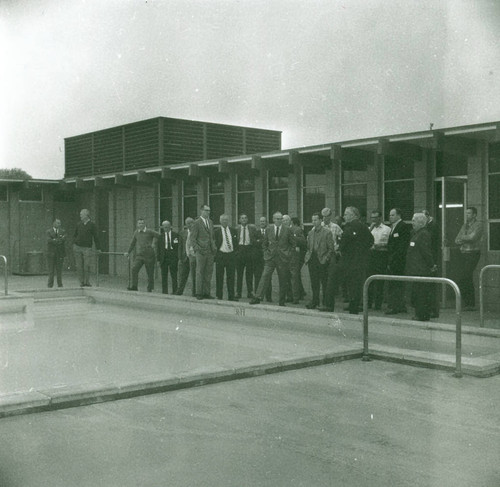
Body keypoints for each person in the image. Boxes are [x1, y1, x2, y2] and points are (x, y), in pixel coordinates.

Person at [320, 206, 374, 314]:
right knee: (354, 285)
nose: (344, 216)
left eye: (346, 214)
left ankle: (329, 305)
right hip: (359, 261)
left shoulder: (350, 227)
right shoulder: (363, 227)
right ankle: (353, 307)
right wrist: (361, 251)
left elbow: (343, 243)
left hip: (347, 260)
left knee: (332, 279)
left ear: (353, 215)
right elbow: (371, 241)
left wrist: (341, 248)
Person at [250, 211, 295, 307]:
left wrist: (288, 254)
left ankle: (281, 301)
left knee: (283, 279)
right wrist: (266, 253)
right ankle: (258, 297)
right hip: (270, 258)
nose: (279, 221)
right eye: (277, 219)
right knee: (265, 276)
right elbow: (264, 244)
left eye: (280, 219)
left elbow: (293, 244)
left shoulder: (287, 230)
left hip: (283, 258)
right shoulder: (269, 229)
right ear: (273, 219)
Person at [406, 213, 436, 321]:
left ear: (421, 222)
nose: (412, 223)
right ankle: (419, 313)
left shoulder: (423, 234)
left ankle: (422, 314)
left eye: (414, 221)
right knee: (417, 292)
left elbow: (426, 252)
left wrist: (431, 265)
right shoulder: (416, 233)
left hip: (421, 268)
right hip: (415, 268)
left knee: (421, 293)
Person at [304, 213, 334, 310]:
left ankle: (325, 302)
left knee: (324, 282)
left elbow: (331, 248)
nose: (314, 222)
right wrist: (307, 257)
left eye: (316, 220)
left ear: (321, 220)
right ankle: (315, 301)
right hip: (312, 259)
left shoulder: (327, 232)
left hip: (322, 260)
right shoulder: (310, 233)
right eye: (312, 220)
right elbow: (308, 247)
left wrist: (326, 258)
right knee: (314, 282)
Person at [455, 207, 483, 311]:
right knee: (466, 277)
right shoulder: (465, 225)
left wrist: (463, 238)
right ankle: (468, 303)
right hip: (463, 253)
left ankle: (470, 303)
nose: (467, 215)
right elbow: (456, 239)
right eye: (466, 213)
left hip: (473, 252)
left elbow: (473, 237)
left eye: (469, 213)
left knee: (465, 275)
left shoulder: (478, 224)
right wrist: (464, 238)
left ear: (474, 215)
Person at [385, 208, 411, 315]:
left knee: (396, 284)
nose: (390, 217)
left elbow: (401, 246)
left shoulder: (402, 226)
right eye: (390, 215)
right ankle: (398, 305)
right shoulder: (393, 227)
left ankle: (395, 306)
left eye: (392, 215)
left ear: (399, 215)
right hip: (393, 259)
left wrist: (393, 259)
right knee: (394, 283)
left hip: (398, 260)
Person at [190, 204, 217, 300]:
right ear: (201, 211)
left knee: (208, 272)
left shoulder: (210, 222)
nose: (208, 212)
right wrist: (197, 248)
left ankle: (206, 292)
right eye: (206, 210)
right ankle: (199, 293)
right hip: (200, 251)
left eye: (209, 210)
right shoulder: (196, 223)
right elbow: (192, 238)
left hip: (210, 251)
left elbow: (212, 236)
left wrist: (214, 247)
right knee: (200, 272)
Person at [126, 218, 160, 292]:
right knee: (134, 268)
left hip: (149, 255)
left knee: (150, 272)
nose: (141, 225)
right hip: (140, 255)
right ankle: (134, 286)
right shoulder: (136, 233)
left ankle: (150, 287)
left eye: (142, 223)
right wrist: (128, 252)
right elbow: (132, 243)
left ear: (145, 224)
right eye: (139, 223)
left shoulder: (149, 231)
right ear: (137, 224)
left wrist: (154, 243)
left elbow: (159, 236)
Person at [368, 210, 391, 310]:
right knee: (370, 280)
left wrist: (381, 245)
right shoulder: (370, 229)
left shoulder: (387, 229)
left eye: (375, 217)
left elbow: (390, 243)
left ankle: (378, 304)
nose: (373, 220)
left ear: (380, 218)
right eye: (372, 218)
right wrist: (370, 229)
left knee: (379, 282)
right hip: (371, 255)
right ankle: (368, 303)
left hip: (382, 255)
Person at [73, 209, 100, 287]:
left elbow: (96, 237)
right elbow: (75, 234)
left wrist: (98, 248)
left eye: (81, 214)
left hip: (87, 248)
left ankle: (86, 281)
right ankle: (81, 281)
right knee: (79, 266)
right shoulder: (79, 224)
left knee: (86, 265)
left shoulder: (92, 225)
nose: (80, 216)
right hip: (77, 247)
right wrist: (74, 242)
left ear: (86, 215)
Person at [214, 214, 238, 301]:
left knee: (231, 277)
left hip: (231, 255)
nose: (225, 221)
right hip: (221, 255)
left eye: (226, 220)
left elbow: (236, 243)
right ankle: (219, 295)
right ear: (220, 221)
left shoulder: (233, 231)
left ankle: (231, 296)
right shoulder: (216, 231)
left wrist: (235, 253)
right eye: (223, 220)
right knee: (219, 276)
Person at [283, 215, 306, 304]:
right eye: (283, 220)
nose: (284, 222)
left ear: (290, 221)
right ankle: (289, 296)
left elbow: (303, 241)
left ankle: (296, 297)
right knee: (286, 277)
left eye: (286, 220)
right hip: (284, 257)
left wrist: (292, 237)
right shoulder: (281, 231)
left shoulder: (296, 230)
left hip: (294, 257)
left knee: (294, 277)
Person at [422, 209, 440, 317]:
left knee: (431, 286)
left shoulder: (432, 226)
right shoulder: (429, 226)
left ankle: (433, 309)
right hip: (430, 259)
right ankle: (430, 308)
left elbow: (431, 243)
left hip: (431, 259)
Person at [235, 213, 257, 299]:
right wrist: (237, 252)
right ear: (239, 220)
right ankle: (238, 292)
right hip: (240, 251)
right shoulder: (237, 229)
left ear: (247, 220)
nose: (244, 219)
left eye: (245, 218)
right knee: (239, 274)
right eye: (242, 218)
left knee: (249, 274)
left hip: (249, 251)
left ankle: (250, 292)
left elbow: (254, 240)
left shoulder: (252, 228)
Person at [253, 216, 272, 302]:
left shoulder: (270, 232)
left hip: (268, 257)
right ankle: (258, 296)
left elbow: (270, 243)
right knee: (258, 276)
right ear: (259, 223)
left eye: (264, 221)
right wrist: (263, 241)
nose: (262, 223)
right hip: (258, 258)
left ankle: (269, 296)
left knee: (268, 277)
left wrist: (259, 241)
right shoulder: (255, 232)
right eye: (261, 221)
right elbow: (254, 243)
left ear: (266, 222)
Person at [157, 220, 179, 294]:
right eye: (164, 227)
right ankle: (164, 291)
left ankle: (175, 291)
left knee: (174, 275)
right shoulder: (160, 237)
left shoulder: (175, 235)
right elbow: (158, 249)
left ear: (170, 227)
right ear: (162, 227)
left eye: (167, 227)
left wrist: (177, 257)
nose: (166, 228)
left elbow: (178, 247)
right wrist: (158, 260)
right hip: (164, 257)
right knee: (164, 275)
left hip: (173, 256)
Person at [176, 217, 196, 296]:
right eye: (188, 223)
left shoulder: (196, 232)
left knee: (194, 275)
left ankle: (194, 292)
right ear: (186, 225)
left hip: (194, 257)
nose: (189, 225)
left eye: (191, 223)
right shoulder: (182, 233)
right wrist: (180, 257)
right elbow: (180, 246)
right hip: (184, 257)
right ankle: (179, 291)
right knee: (182, 275)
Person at [47, 218, 66, 288]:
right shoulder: (49, 231)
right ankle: (50, 285)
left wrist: (55, 240)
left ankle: (60, 284)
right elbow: (49, 240)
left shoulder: (63, 231)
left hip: (60, 253)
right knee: (51, 270)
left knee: (59, 270)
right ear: (54, 223)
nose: (59, 224)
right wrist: (58, 240)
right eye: (58, 223)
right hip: (51, 254)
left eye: (60, 223)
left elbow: (63, 239)